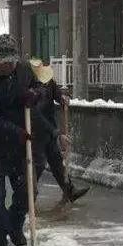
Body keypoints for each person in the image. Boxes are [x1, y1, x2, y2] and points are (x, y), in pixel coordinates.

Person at [0, 35, 49, 246]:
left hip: (20, 150)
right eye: (4, 62)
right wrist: (19, 133)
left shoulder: (23, 69)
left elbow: (41, 87)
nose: (9, 66)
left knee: (27, 193)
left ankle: (14, 226)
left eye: (12, 61)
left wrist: (35, 95)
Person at [28, 60, 89, 204]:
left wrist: (62, 99)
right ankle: (28, 195)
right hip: (35, 130)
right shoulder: (28, 86)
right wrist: (56, 133)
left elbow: (57, 95)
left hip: (50, 127)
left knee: (56, 161)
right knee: (38, 163)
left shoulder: (49, 82)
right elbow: (33, 113)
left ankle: (69, 191)